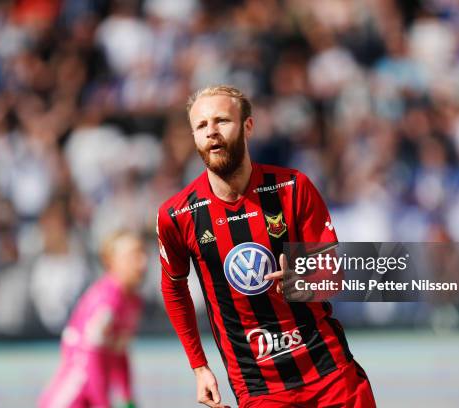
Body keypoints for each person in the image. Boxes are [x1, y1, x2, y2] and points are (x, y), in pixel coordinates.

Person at [157, 85, 376, 407]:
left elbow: (332, 275)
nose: (212, 132)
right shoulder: (177, 215)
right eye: (201, 125)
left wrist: (301, 281)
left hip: (329, 371)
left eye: (222, 121)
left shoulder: (292, 187)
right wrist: (199, 366)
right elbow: (174, 289)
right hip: (259, 386)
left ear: (248, 126)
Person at [38, 230, 147, 408]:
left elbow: (120, 351)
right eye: (133, 255)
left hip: (94, 395)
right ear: (111, 262)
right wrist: (103, 403)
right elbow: (90, 357)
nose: (142, 262)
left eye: (143, 253)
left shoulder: (133, 301)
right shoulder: (107, 300)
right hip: (75, 397)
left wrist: (128, 398)